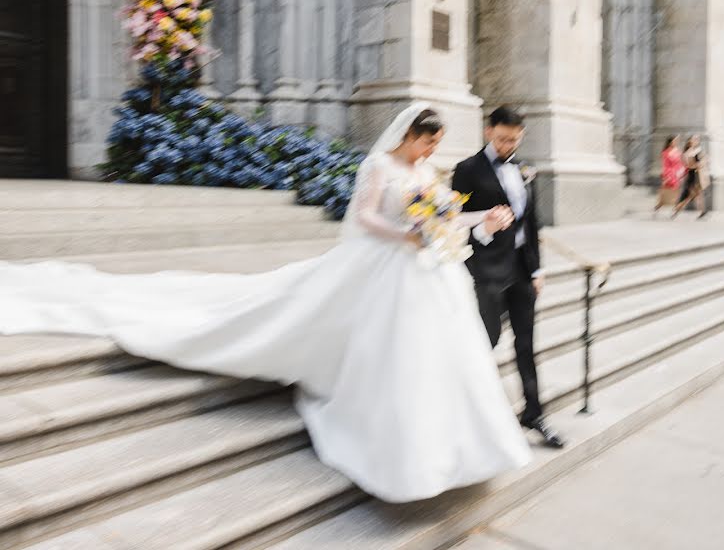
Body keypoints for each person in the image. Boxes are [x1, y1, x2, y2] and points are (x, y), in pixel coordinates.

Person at [0, 103, 533, 504]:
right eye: (426, 144)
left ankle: (451, 447)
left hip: (424, 272)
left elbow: (443, 217)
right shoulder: (381, 167)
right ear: (410, 135)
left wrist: (478, 221)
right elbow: (368, 217)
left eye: (436, 147)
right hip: (386, 261)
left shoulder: (424, 175)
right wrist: (405, 234)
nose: (430, 154)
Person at [451, 106, 565, 449]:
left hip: (521, 270)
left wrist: (537, 269)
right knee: (485, 342)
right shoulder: (467, 170)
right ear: (489, 131)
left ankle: (534, 412)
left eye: (513, 140)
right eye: (501, 138)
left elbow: (532, 223)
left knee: (527, 344)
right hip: (485, 269)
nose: (506, 145)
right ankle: (471, 416)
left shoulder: (525, 169)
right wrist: (485, 223)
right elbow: (453, 219)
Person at [672, 134, 710, 219]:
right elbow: (688, 165)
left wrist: (701, 163)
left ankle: (702, 211)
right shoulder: (687, 152)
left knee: (697, 195)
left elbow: (705, 160)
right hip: (692, 175)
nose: (696, 141)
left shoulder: (699, 150)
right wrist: (697, 165)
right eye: (694, 139)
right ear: (690, 142)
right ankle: (677, 209)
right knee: (691, 195)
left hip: (698, 175)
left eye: (697, 139)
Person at [654, 135, 685, 215]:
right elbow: (665, 165)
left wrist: (682, 172)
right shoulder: (665, 152)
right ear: (670, 142)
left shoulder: (678, 151)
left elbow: (680, 163)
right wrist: (666, 176)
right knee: (666, 191)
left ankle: (675, 207)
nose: (676, 142)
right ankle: (659, 205)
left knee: (676, 191)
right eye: (674, 141)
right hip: (669, 174)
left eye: (677, 140)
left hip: (677, 174)